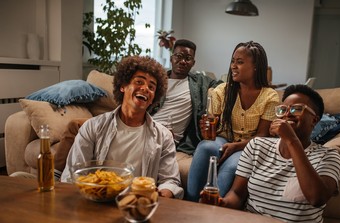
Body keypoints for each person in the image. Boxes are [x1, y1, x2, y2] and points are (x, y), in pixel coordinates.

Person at [54, 39, 223, 173]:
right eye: (179, 56)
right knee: (75, 125)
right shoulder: (156, 77)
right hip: (141, 121)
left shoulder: (199, 83)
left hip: (164, 134)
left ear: (193, 62)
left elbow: (224, 86)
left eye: (188, 58)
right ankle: (56, 173)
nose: (183, 61)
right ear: (172, 58)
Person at [218, 84, 340, 223]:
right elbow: (237, 193)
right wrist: (221, 205)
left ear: (315, 120)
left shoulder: (328, 156)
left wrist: (291, 140)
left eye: (297, 109)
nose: (287, 114)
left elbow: (317, 197)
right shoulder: (257, 146)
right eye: (283, 109)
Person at [61, 55, 183, 199]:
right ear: (123, 86)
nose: (145, 88)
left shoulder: (164, 137)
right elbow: (74, 174)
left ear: (153, 98)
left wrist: (161, 194)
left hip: (137, 206)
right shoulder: (92, 127)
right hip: (97, 201)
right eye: (139, 82)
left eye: (151, 87)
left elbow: (170, 181)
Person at [186, 41, 280, 202]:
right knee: (206, 147)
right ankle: (190, 201)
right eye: (233, 61)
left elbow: (262, 136)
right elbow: (212, 133)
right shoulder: (222, 91)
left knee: (233, 166)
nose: (233, 66)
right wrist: (206, 130)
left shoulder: (269, 97)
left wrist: (236, 146)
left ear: (256, 66)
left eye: (240, 62)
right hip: (223, 139)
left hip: (250, 146)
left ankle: (211, 207)